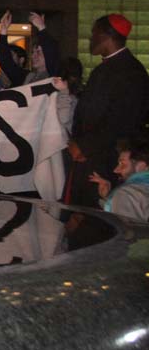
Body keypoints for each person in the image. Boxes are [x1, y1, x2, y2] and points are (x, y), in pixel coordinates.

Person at [67, 14, 149, 206]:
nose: (90, 39)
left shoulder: (132, 73)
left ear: (105, 36)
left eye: (94, 33)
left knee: (96, 223)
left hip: (107, 160)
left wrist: (84, 146)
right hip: (89, 156)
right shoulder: (107, 68)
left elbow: (123, 121)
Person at [90, 137, 149, 221]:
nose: (116, 170)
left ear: (141, 166)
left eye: (122, 164)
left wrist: (114, 198)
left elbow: (127, 231)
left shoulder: (126, 194)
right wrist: (109, 197)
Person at [0, 10, 60, 86]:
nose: (34, 56)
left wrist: (42, 28)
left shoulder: (54, 76)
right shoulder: (27, 77)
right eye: (33, 52)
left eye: (38, 52)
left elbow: (51, 50)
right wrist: (3, 31)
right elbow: (6, 62)